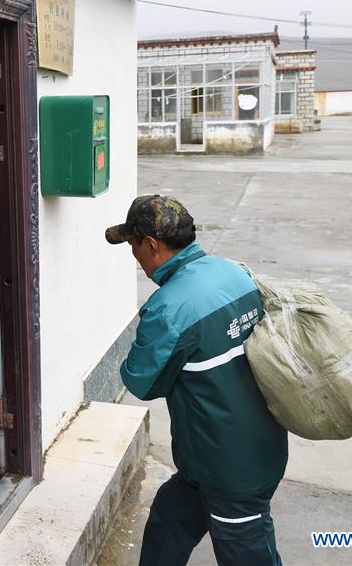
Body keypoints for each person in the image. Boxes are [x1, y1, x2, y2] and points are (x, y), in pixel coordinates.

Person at [105, 194, 287, 566]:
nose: (134, 256)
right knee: (168, 522)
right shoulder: (233, 272)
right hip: (221, 453)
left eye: (133, 246)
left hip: (231, 467)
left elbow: (142, 382)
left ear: (151, 245)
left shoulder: (169, 307)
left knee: (246, 552)